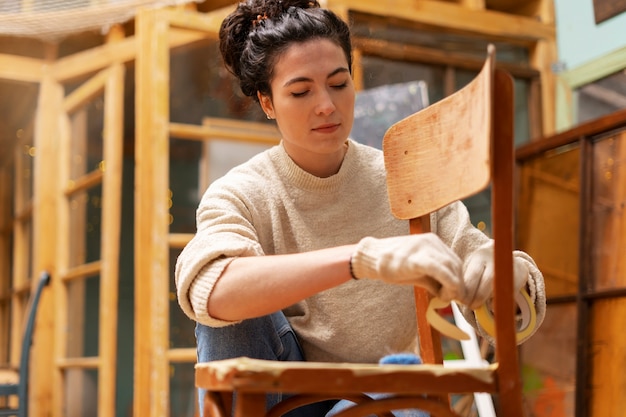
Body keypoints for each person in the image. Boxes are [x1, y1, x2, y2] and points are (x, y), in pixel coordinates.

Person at [175, 0, 546, 416]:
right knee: (226, 308)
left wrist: (506, 276)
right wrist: (362, 259)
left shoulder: (403, 178)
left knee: (398, 398)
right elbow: (210, 289)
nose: (327, 106)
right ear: (267, 103)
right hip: (284, 400)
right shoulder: (242, 191)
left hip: (385, 393)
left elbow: (493, 294)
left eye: (339, 83)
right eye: (300, 91)